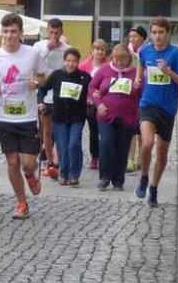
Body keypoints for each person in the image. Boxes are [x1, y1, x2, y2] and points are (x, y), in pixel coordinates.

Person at [0, 13, 46, 219]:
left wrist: (35, 84)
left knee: (27, 163)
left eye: (13, 31)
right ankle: (21, 202)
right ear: (2, 32)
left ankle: (30, 175)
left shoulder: (32, 54)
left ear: (21, 33)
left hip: (26, 117)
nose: (9, 35)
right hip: (3, 117)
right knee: (12, 162)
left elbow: (43, 78)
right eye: (6, 31)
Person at [134, 17, 178, 207]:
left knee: (161, 153)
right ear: (150, 34)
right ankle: (143, 176)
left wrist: (169, 72)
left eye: (161, 32)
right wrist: (138, 78)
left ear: (168, 33)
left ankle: (154, 187)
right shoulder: (145, 50)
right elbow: (141, 63)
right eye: (154, 32)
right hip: (148, 104)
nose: (157, 36)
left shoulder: (177, 55)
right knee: (147, 143)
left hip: (167, 108)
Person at [90, 44, 143, 191]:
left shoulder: (136, 73)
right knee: (107, 143)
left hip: (128, 116)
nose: (119, 63)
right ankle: (104, 177)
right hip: (106, 115)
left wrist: (139, 94)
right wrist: (98, 104)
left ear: (129, 58)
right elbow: (92, 87)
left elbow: (143, 94)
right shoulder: (105, 70)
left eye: (123, 60)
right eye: (116, 59)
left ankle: (118, 180)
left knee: (123, 146)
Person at [37, 48, 91, 186]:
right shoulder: (57, 75)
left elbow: (94, 90)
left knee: (73, 144)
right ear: (64, 61)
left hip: (77, 117)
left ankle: (74, 174)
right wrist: (41, 102)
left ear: (78, 62)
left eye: (73, 61)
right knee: (62, 146)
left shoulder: (84, 77)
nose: (70, 64)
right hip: (59, 116)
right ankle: (64, 173)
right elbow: (43, 89)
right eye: (68, 61)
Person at [33, 18, 71, 179]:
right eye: (51, 32)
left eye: (57, 32)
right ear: (47, 31)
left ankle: (58, 161)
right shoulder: (39, 46)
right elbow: (35, 63)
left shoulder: (67, 48)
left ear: (61, 31)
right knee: (46, 130)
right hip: (44, 92)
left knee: (60, 129)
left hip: (61, 94)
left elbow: (71, 66)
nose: (54, 35)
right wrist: (48, 48)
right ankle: (50, 162)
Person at [79, 39, 108, 170]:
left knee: (102, 130)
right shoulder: (84, 65)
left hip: (103, 102)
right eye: (97, 49)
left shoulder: (108, 66)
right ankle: (94, 156)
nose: (100, 52)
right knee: (92, 130)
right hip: (87, 102)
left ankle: (103, 155)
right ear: (92, 50)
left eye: (102, 49)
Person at [125, 26, 148, 172]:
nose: (132, 39)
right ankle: (130, 159)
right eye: (130, 36)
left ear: (143, 38)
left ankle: (142, 157)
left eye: (135, 36)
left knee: (142, 127)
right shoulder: (126, 52)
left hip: (145, 92)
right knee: (131, 128)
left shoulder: (148, 52)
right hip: (130, 91)